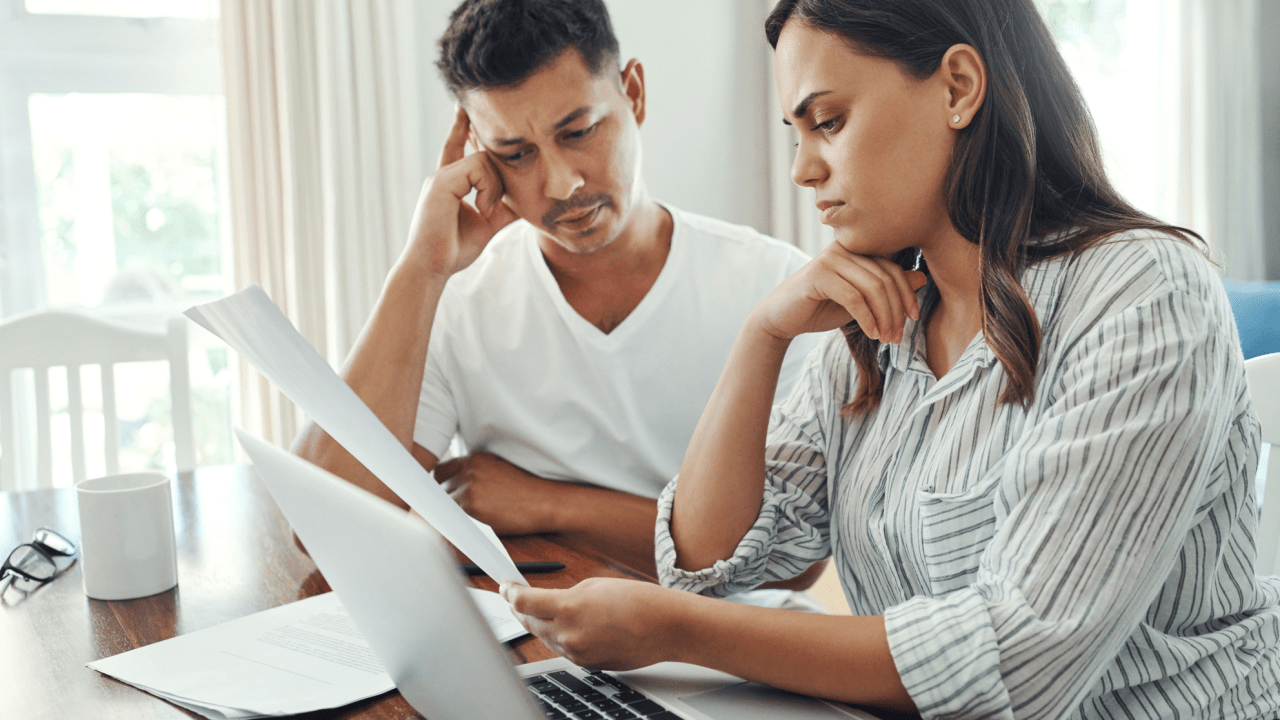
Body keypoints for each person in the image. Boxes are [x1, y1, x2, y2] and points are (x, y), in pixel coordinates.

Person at [498, 0, 1280, 717]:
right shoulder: (878, 320)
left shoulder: (1144, 294)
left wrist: (680, 630)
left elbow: (1018, 659)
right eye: (795, 133)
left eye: (828, 122)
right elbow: (713, 560)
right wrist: (761, 339)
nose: (804, 168)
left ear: (958, 88)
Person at [293, 0, 824, 592]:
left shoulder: (772, 286)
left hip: (738, 656)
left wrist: (547, 505)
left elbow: (796, 561)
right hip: (541, 651)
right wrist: (423, 267)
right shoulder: (457, 301)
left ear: (634, 94)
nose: (561, 184)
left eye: (578, 132)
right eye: (515, 155)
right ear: (476, 154)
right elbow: (324, 525)